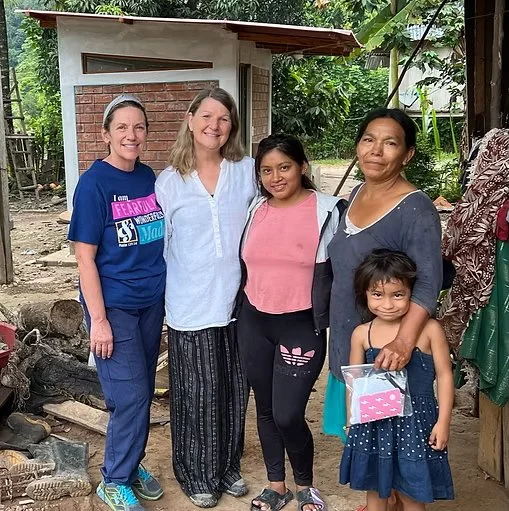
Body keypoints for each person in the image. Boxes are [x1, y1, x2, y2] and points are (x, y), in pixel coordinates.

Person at [155, 87, 256, 508]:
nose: (215, 126)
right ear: (191, 118)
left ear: (232, 126)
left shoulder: (246, 170)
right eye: (207, 116)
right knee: (197, 393)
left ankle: (227, 465)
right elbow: (160, 247)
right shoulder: (169, 182)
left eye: (224, 119)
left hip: (238, 302)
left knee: (235, 387)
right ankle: (196, 471)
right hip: (190, 303)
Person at [237, 134, 345, 511]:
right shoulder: (255, 208)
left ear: (302, 166)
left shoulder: (328, 211)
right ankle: (275, 486)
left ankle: (305, 487)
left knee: (288, 413)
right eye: (266, 170)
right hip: (254, 321)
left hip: (301, 325)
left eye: (284, 167)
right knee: (264, 409)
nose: (275, 177)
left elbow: (348, 269)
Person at [68, 94, 166, 511]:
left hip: (150, 303)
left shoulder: (149, 178)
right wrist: (100, 320)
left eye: (139, 127)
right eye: (122, 127)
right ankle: (114, 479)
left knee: (138, 389)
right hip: (113, 306)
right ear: (105, 134)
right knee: (132, 397)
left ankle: (129, 461)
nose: (132, 134)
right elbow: (84, 256)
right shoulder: (95, 183)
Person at [324, 108, 443, 443]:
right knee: (362, 434)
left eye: (390, 143)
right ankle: (378, 497)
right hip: (352, 341)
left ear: (407, 155)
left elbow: (429, 283)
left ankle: (387, 497)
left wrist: (403, 342)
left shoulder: (416, 209)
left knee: (387, 438)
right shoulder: (357, 193)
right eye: (368, 140)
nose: (376, 150)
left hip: (385, 351)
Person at [340, 249, 455, 510]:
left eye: (398, 295)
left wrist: (443, 422)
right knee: (375, 490)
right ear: (365, 294)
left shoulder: (429, 330)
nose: (388, 304)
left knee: (413, 494)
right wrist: (351, 420)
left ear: (412, 294)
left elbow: (445, 375)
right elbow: (355, 383)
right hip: (372, 424)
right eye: (377, 295)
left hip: (417, 426)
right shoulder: (361, 334)